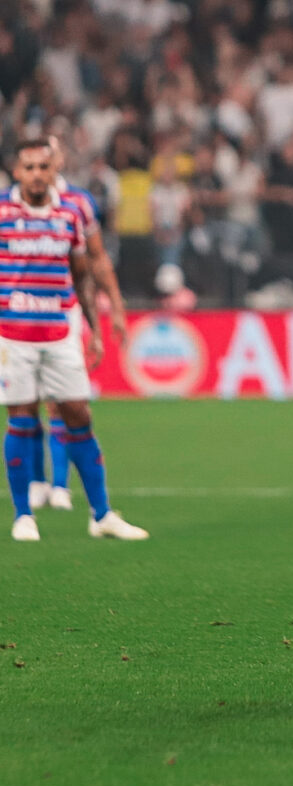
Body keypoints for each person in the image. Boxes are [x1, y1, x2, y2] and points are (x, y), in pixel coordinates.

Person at [1, 139, 147, 542]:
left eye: (43, 167)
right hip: (13, 336)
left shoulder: (70, 213)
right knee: (22, 418)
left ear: (54, 171)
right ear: (17, 171)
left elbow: (82, 274)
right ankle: (23, 515)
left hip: (60, 330)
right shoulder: (2, 212)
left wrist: (95, 327)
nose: (36, 174)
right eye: (28, 167)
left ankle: (101, 514)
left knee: (79, 415)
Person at [26, 135, 131, 514]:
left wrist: (114, 309)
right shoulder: (12, 203)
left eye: (50, 155)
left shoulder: (78, 203)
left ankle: (59, 486)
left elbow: (98, 262)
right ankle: (37, 481)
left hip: (64, 310)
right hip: (20, 312)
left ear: (59, 159)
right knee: (26, 400)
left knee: (65, 403)